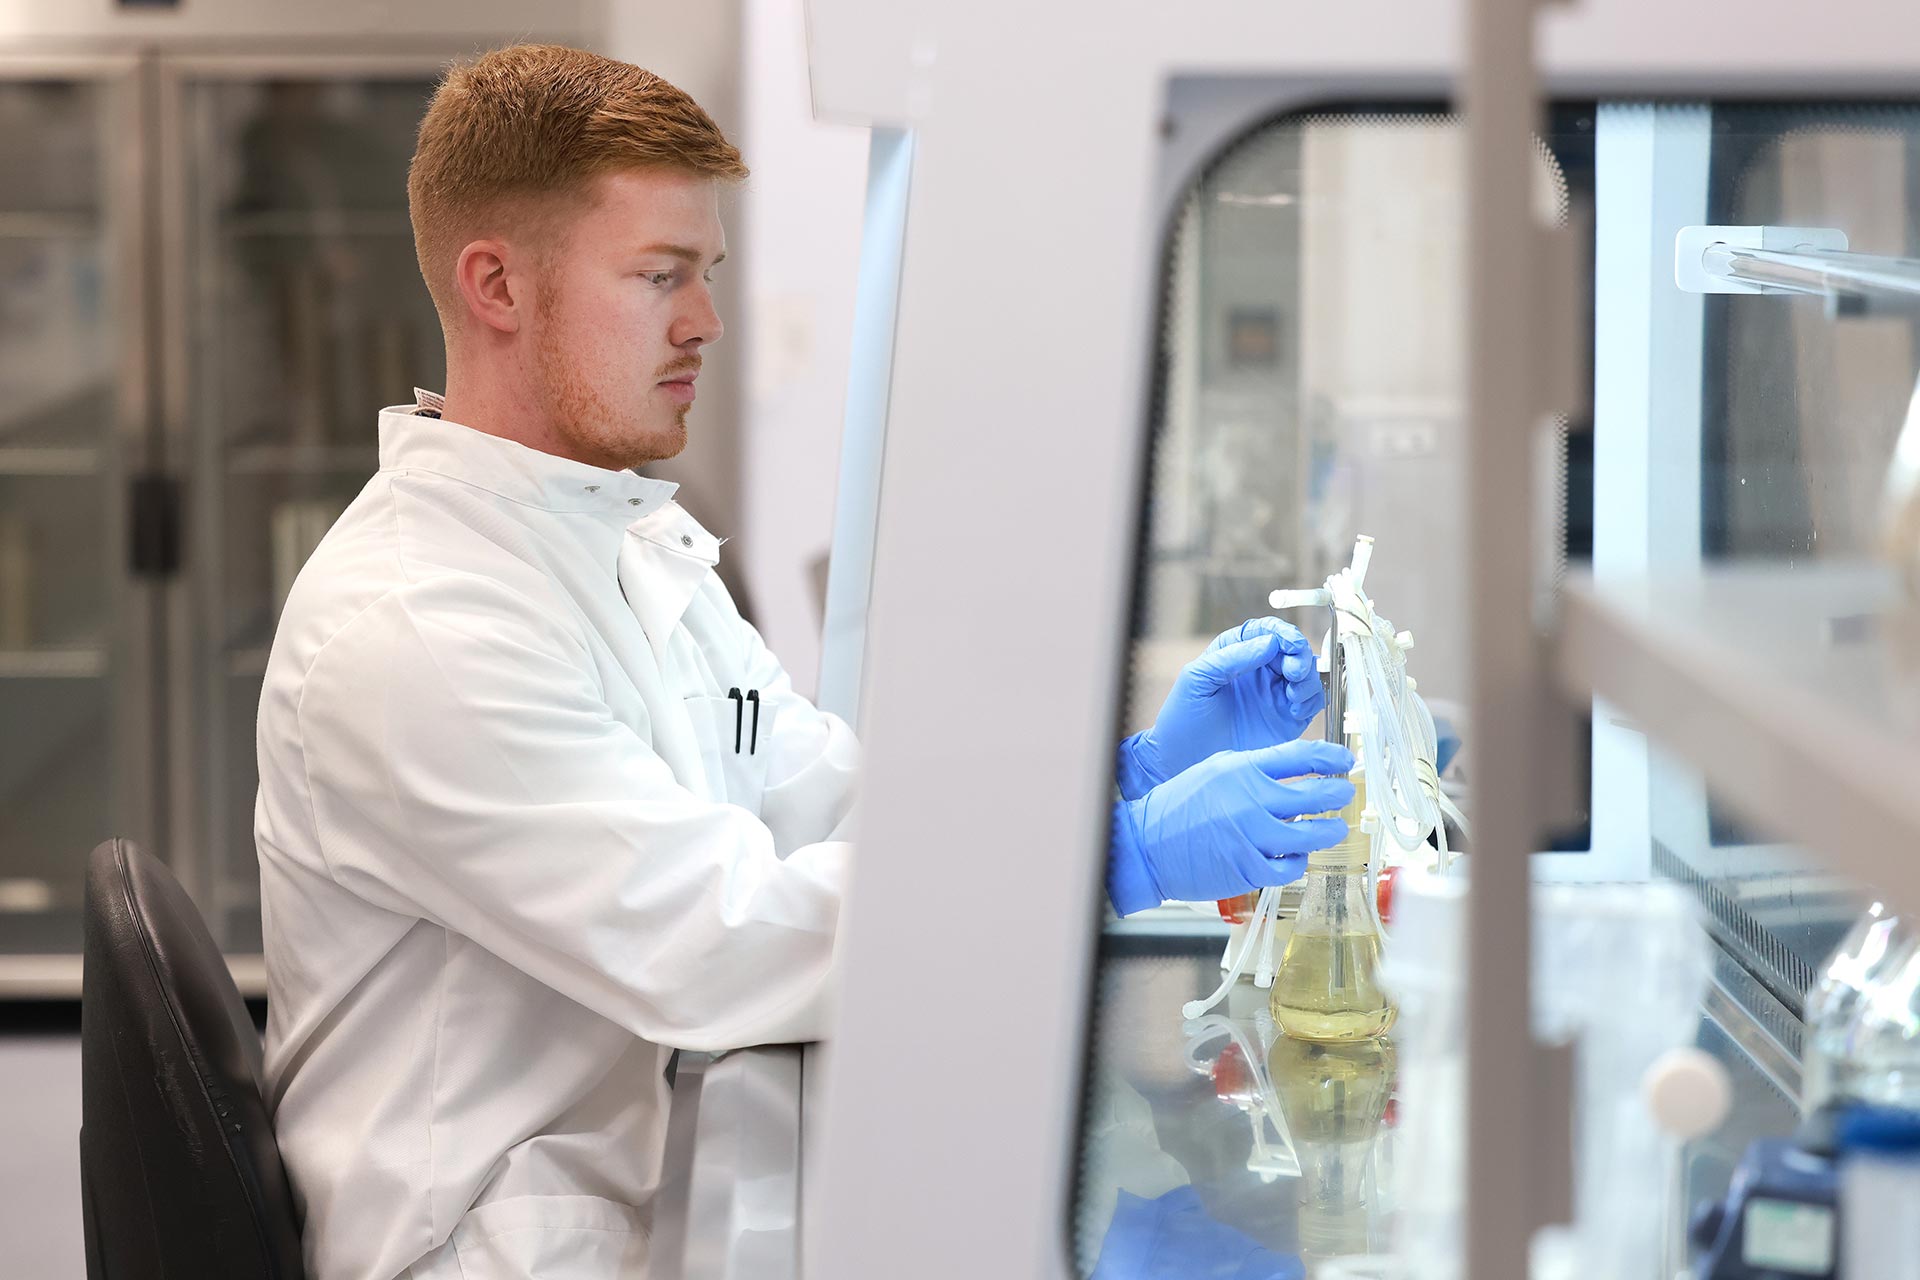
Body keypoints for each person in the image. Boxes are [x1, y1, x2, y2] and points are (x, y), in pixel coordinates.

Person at [252, 44, 1351, 1280]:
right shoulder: (418, 625)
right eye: (659, 275)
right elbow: (717, 935)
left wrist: (1125, 774)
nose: (706, 320)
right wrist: (1118, 853)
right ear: (498, 283)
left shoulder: (615, 534)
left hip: (630, 1192)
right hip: (496, 1249)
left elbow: (820, 791)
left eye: (706, 274)